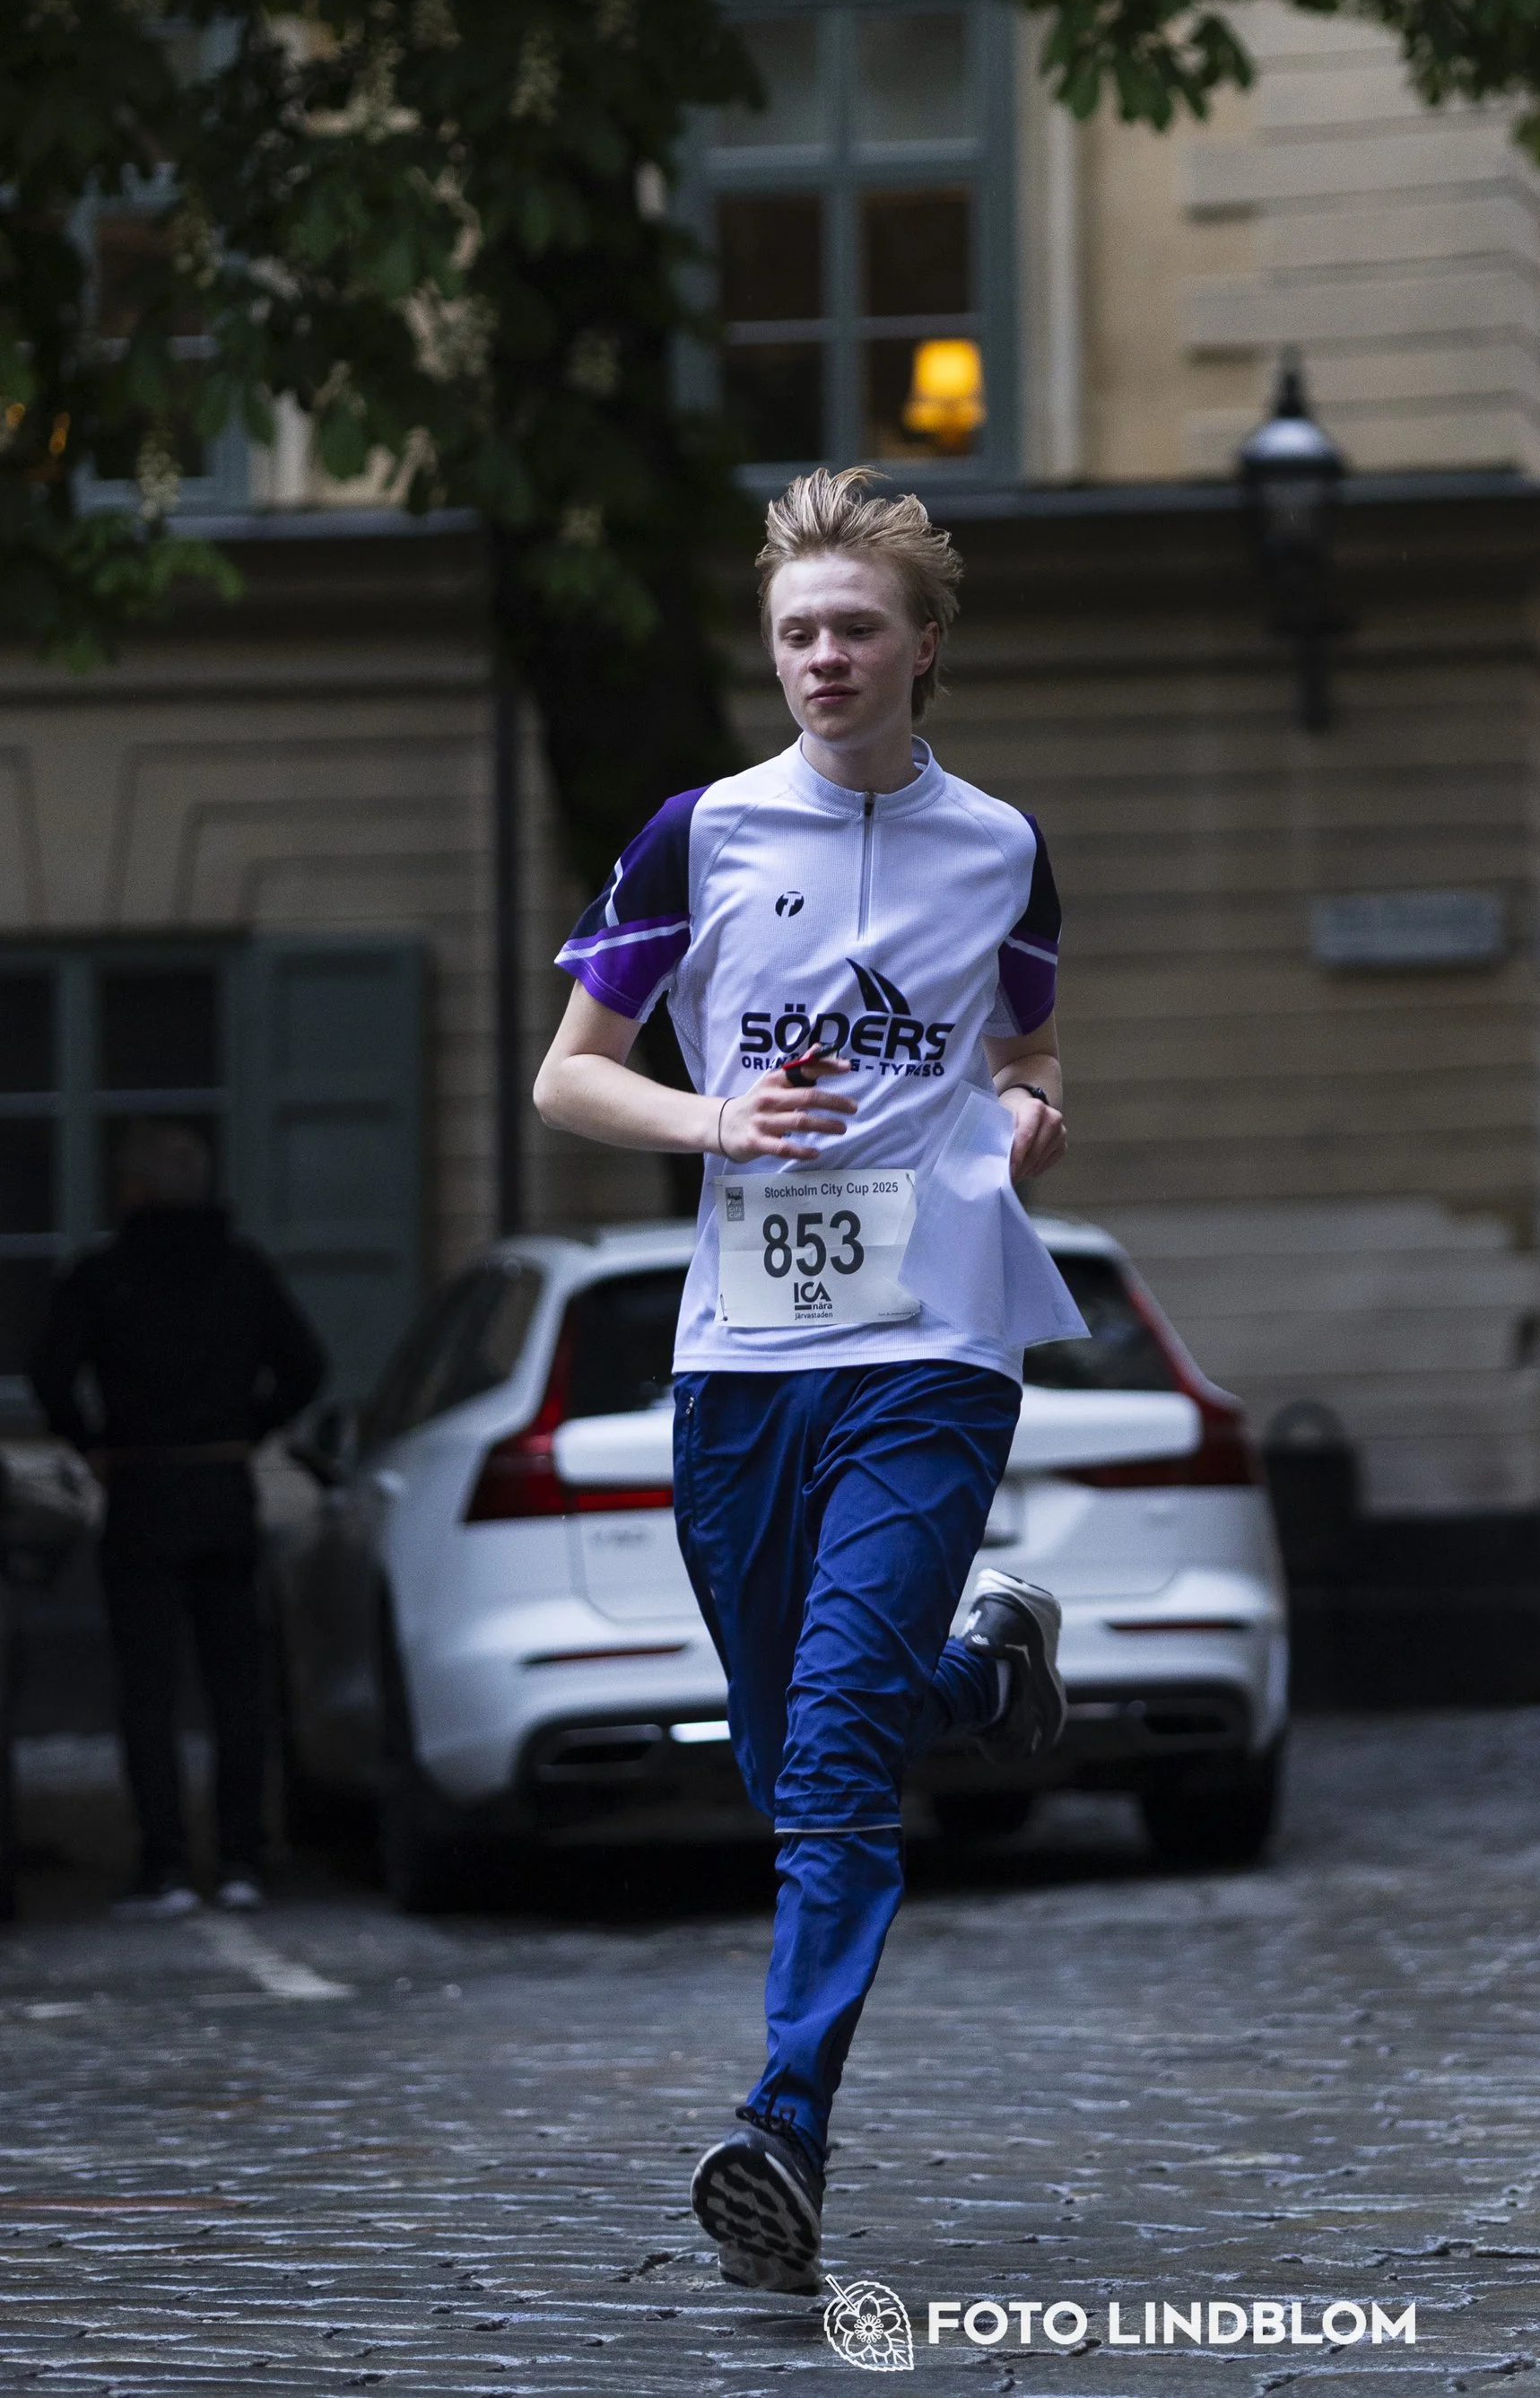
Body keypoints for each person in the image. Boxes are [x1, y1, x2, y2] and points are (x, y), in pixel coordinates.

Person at [534, 465, 1086, 2295]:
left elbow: (1028, 1049)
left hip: (932, 1340)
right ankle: (981, 1672)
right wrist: (711, 1112)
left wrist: (1023, 1118)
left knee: (832, 1743)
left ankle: (783, 2123)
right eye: (795, 631)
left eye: (855, 627)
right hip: (742, 1357)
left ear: (923, 644)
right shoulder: (693, 838)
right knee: (789, 1744)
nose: (823, 656)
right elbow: (567, 1075)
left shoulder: (1000, 845)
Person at [30, 1119, 327, 1918]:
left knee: (148, 1690)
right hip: (223, 1487)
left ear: (130, 1191)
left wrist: (92, 1442)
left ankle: (162, 1862)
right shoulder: (240, 1269)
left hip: (140, 1490)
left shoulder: (102, 1274)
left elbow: (50, 1372)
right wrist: (251, 1426)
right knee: (237, 1689)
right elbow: (307, 1365)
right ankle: (239, 1858)